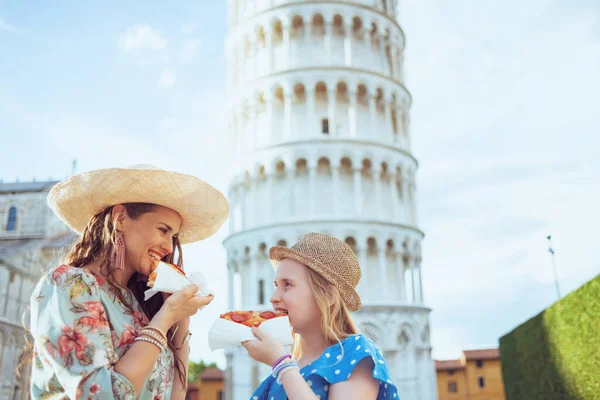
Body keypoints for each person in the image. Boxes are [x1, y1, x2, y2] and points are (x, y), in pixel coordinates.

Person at [26, 165, 229, 400]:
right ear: (120, 218)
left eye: (173, 238)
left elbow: (175, 395)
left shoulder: (137, 306)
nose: (169, 247)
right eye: (163, 230)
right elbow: (101, 396)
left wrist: (181, 319)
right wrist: (166, 317)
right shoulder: (68, 284)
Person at [242, 233, 400, 400]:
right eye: (276, 285)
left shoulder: (356, 353)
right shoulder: (284, 372)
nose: (273, 297)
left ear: (328, 296)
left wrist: (281, 363)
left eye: (287, 284)